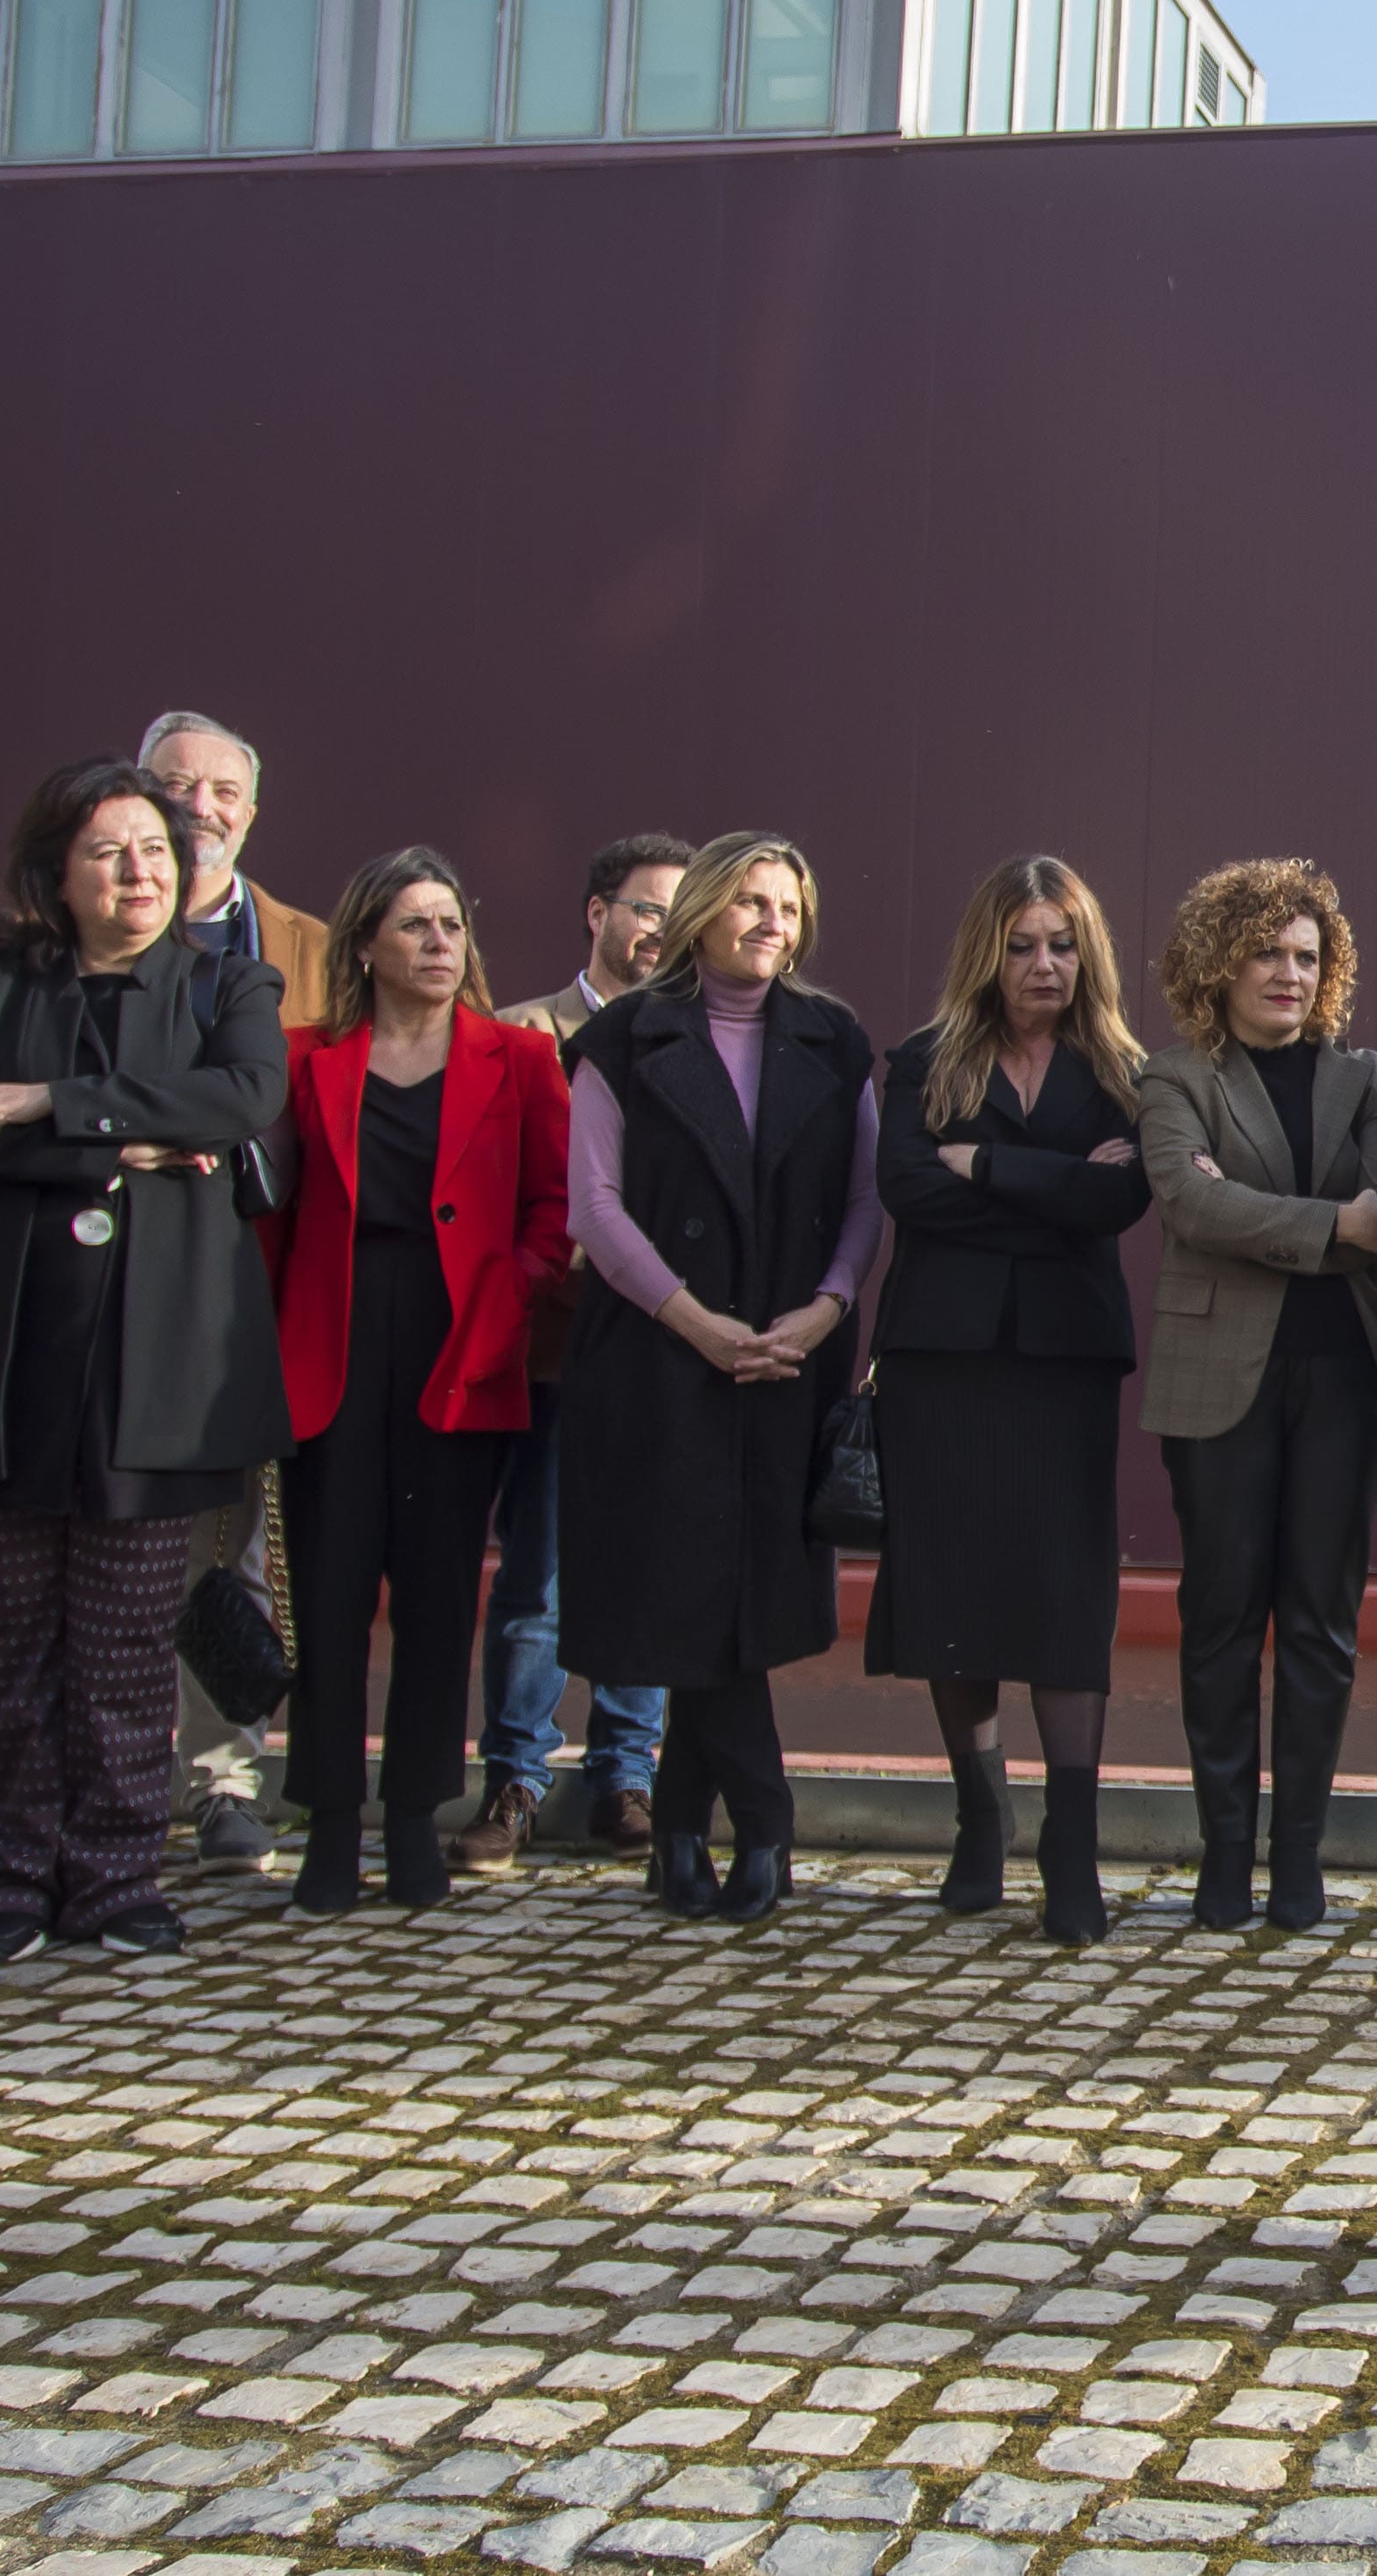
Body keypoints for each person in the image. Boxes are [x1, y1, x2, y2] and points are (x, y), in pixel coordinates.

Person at [0, 759, 292, 1963]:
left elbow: (241, 1098)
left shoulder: (230, 980)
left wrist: (45, 1107)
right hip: (11, 1357)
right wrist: (125, 1140)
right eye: (111, 852)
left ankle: (119, 1876)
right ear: (56, 871)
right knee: (14, 1638)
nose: (140, 872)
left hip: (155, 1363)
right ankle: (17, 1873)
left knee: (125, 1638)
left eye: (158, 853)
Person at [552, 834, 881, 1922]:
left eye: (789, 904)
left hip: (790, 1354)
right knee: (689, 1586)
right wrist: (696, 1322)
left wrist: (824, 1307)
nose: (772, 921)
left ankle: (682, 1832)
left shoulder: (834, 1040)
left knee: (736, 1593)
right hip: (657, 1355)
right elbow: (594, 1208)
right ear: (699, 911)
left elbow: (866, 1202)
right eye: (750, 900)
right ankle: (764, 1818)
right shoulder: (620, 1037)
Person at [265, 851, 568, 1914]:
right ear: (365, 946)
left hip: (462, 1346)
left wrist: (517, 1287)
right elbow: (270, 1220)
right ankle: (331, 1826)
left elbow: (555, 1201)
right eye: (415, 926)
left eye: (451, 925)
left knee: (440, 1596)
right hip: (332, 1346)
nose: (441, 943)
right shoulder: (307, 1059)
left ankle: (416, 1822)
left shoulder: (519, 1060)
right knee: (332, 1594)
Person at [869, 858, 1153, 1943]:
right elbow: (906, 1188)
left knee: (1062, 1595)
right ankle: (980, 1818)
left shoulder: (1122, 1067)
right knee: (955, 1592)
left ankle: (1070, 1855)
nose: (1045, 963)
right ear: (990, 949)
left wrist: (984, 1164)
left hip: (1065, 1363)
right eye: (1025, 943)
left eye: (1064, 943)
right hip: (943, 1359)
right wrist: (1054, 1180)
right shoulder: (925, 1058)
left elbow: (1118, 1199)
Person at [1139, 858, 1377, 1934]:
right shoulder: (1175, 1078)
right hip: (1217, 1379)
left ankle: (1296, 1859)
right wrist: (1326, 1223)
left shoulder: (1369, 1078)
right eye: (1267, 952)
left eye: (1308, 955)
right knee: (1219, 1615)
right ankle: (1222, 1859)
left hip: (1347, 1377)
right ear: (1220, 961)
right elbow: (1186, 1205)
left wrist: (1269, 1208)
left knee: (1320, 1619)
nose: (1289, 973)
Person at [453, 831, 691, 1871]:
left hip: (664, 1347)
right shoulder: (515, 1036)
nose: (661, 932)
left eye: (680, 914)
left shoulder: (703, 1037)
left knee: (648, 1558)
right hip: (552, 1347)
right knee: (538, 1573)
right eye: (645, 908)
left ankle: (627, 1774)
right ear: (597, 913)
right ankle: (515, 1773)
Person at [138, 708, 327, 1876]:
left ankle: (220, 1777)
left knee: (230, 1546)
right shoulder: (67, 935)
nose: (197, 807)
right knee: (96, 1540)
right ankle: (83, 1776)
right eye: (172, 783)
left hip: (257, 1295)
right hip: (107, 1286)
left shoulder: (309, 948)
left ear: (252, 815)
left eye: (221, 792)